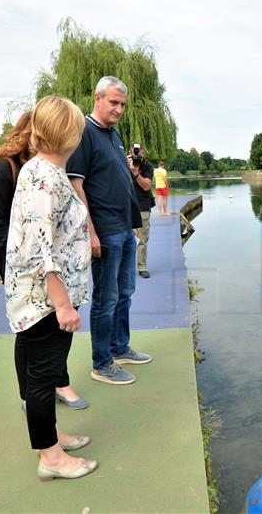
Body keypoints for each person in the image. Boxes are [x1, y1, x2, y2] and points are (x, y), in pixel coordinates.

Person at [5, 95, 96, 481]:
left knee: (33, 369)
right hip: (45, 302)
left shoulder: (39, 170)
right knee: (44, 374)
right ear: (71, 135)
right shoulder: (45, 178)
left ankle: (51, 436)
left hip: (33, 299)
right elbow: (42, 250)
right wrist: (63, 305)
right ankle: (51, 458)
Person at [0, 112, 88, 411]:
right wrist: (22, 263)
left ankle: (56, 387)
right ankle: (33, 401)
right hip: (29, 270)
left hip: (48, 271)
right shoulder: (10, 171)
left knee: (50, 346)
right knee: (33, 343)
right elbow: (0, 224)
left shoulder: (45, 170)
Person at [66, 76, 152, 386]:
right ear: (97, 98)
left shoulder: (114, 136)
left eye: (122, 105)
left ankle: (120, 347)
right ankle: (102, 363)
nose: (118, 109)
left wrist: (132, 226)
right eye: (113, 102)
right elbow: (77, 185)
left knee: (125, 293)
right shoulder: (84, 133)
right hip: (104, 230)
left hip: (124, 229)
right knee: (106, 297)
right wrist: (90, 232)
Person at [127, 143, 155, 278]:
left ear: (143, 152)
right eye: (134, 153)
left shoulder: (148, 166)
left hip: (142, 205)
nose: (137, 155)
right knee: (122, 238)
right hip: (125, 205)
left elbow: (146, 186)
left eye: (139, 152)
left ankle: (142, 267)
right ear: (130, 153)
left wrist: (136, 173)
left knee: (142, 238)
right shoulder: (124, 163)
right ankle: (123, 267)